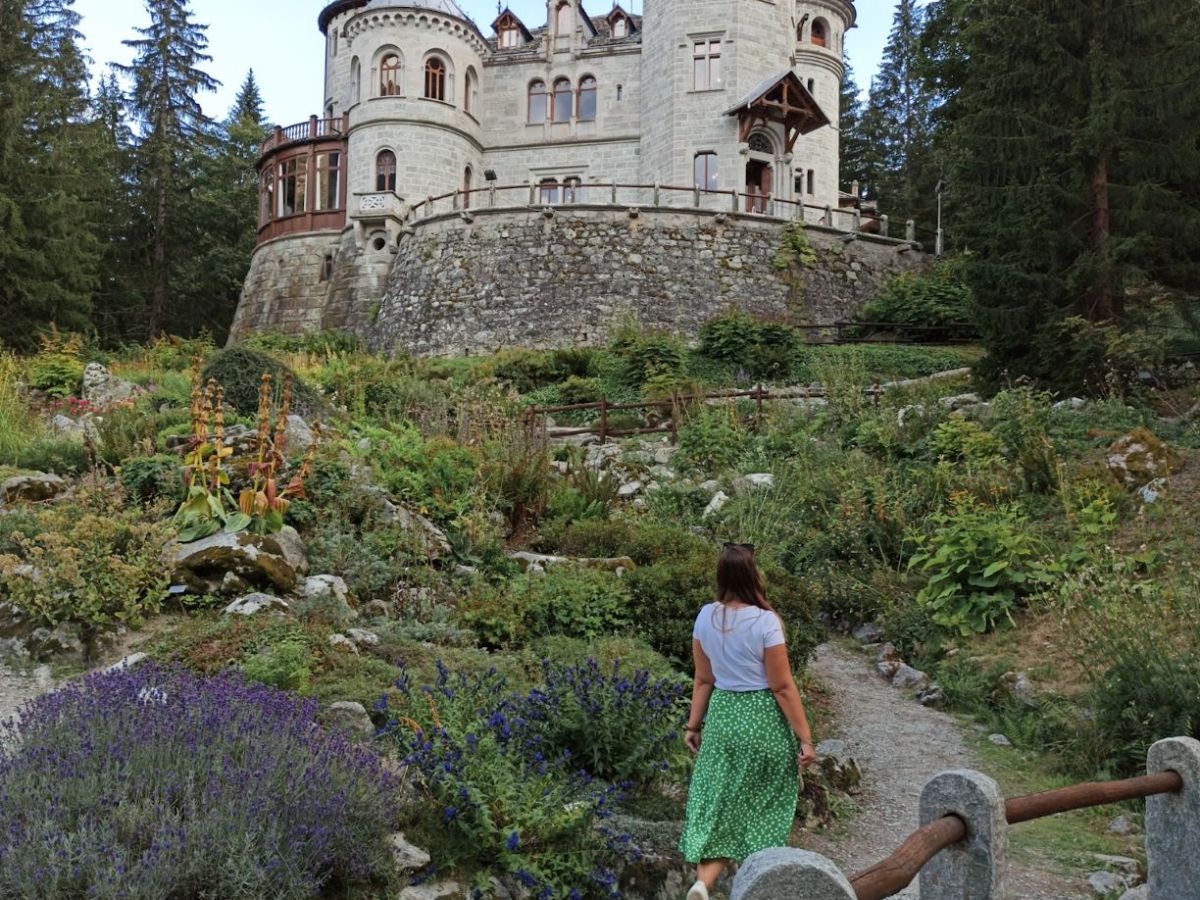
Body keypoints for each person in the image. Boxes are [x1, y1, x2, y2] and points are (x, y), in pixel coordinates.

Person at [678, 542, 818, 900]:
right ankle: (760, 884)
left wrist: (693, 726)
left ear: (721, 576)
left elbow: (703, 679)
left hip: (723, 717)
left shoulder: (705, 616)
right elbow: (783, 687)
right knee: (765, 803)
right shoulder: (766, 622)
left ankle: (702, 885)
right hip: (762, 721)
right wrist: (805, 738)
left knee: (721, 802)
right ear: (753, 575)